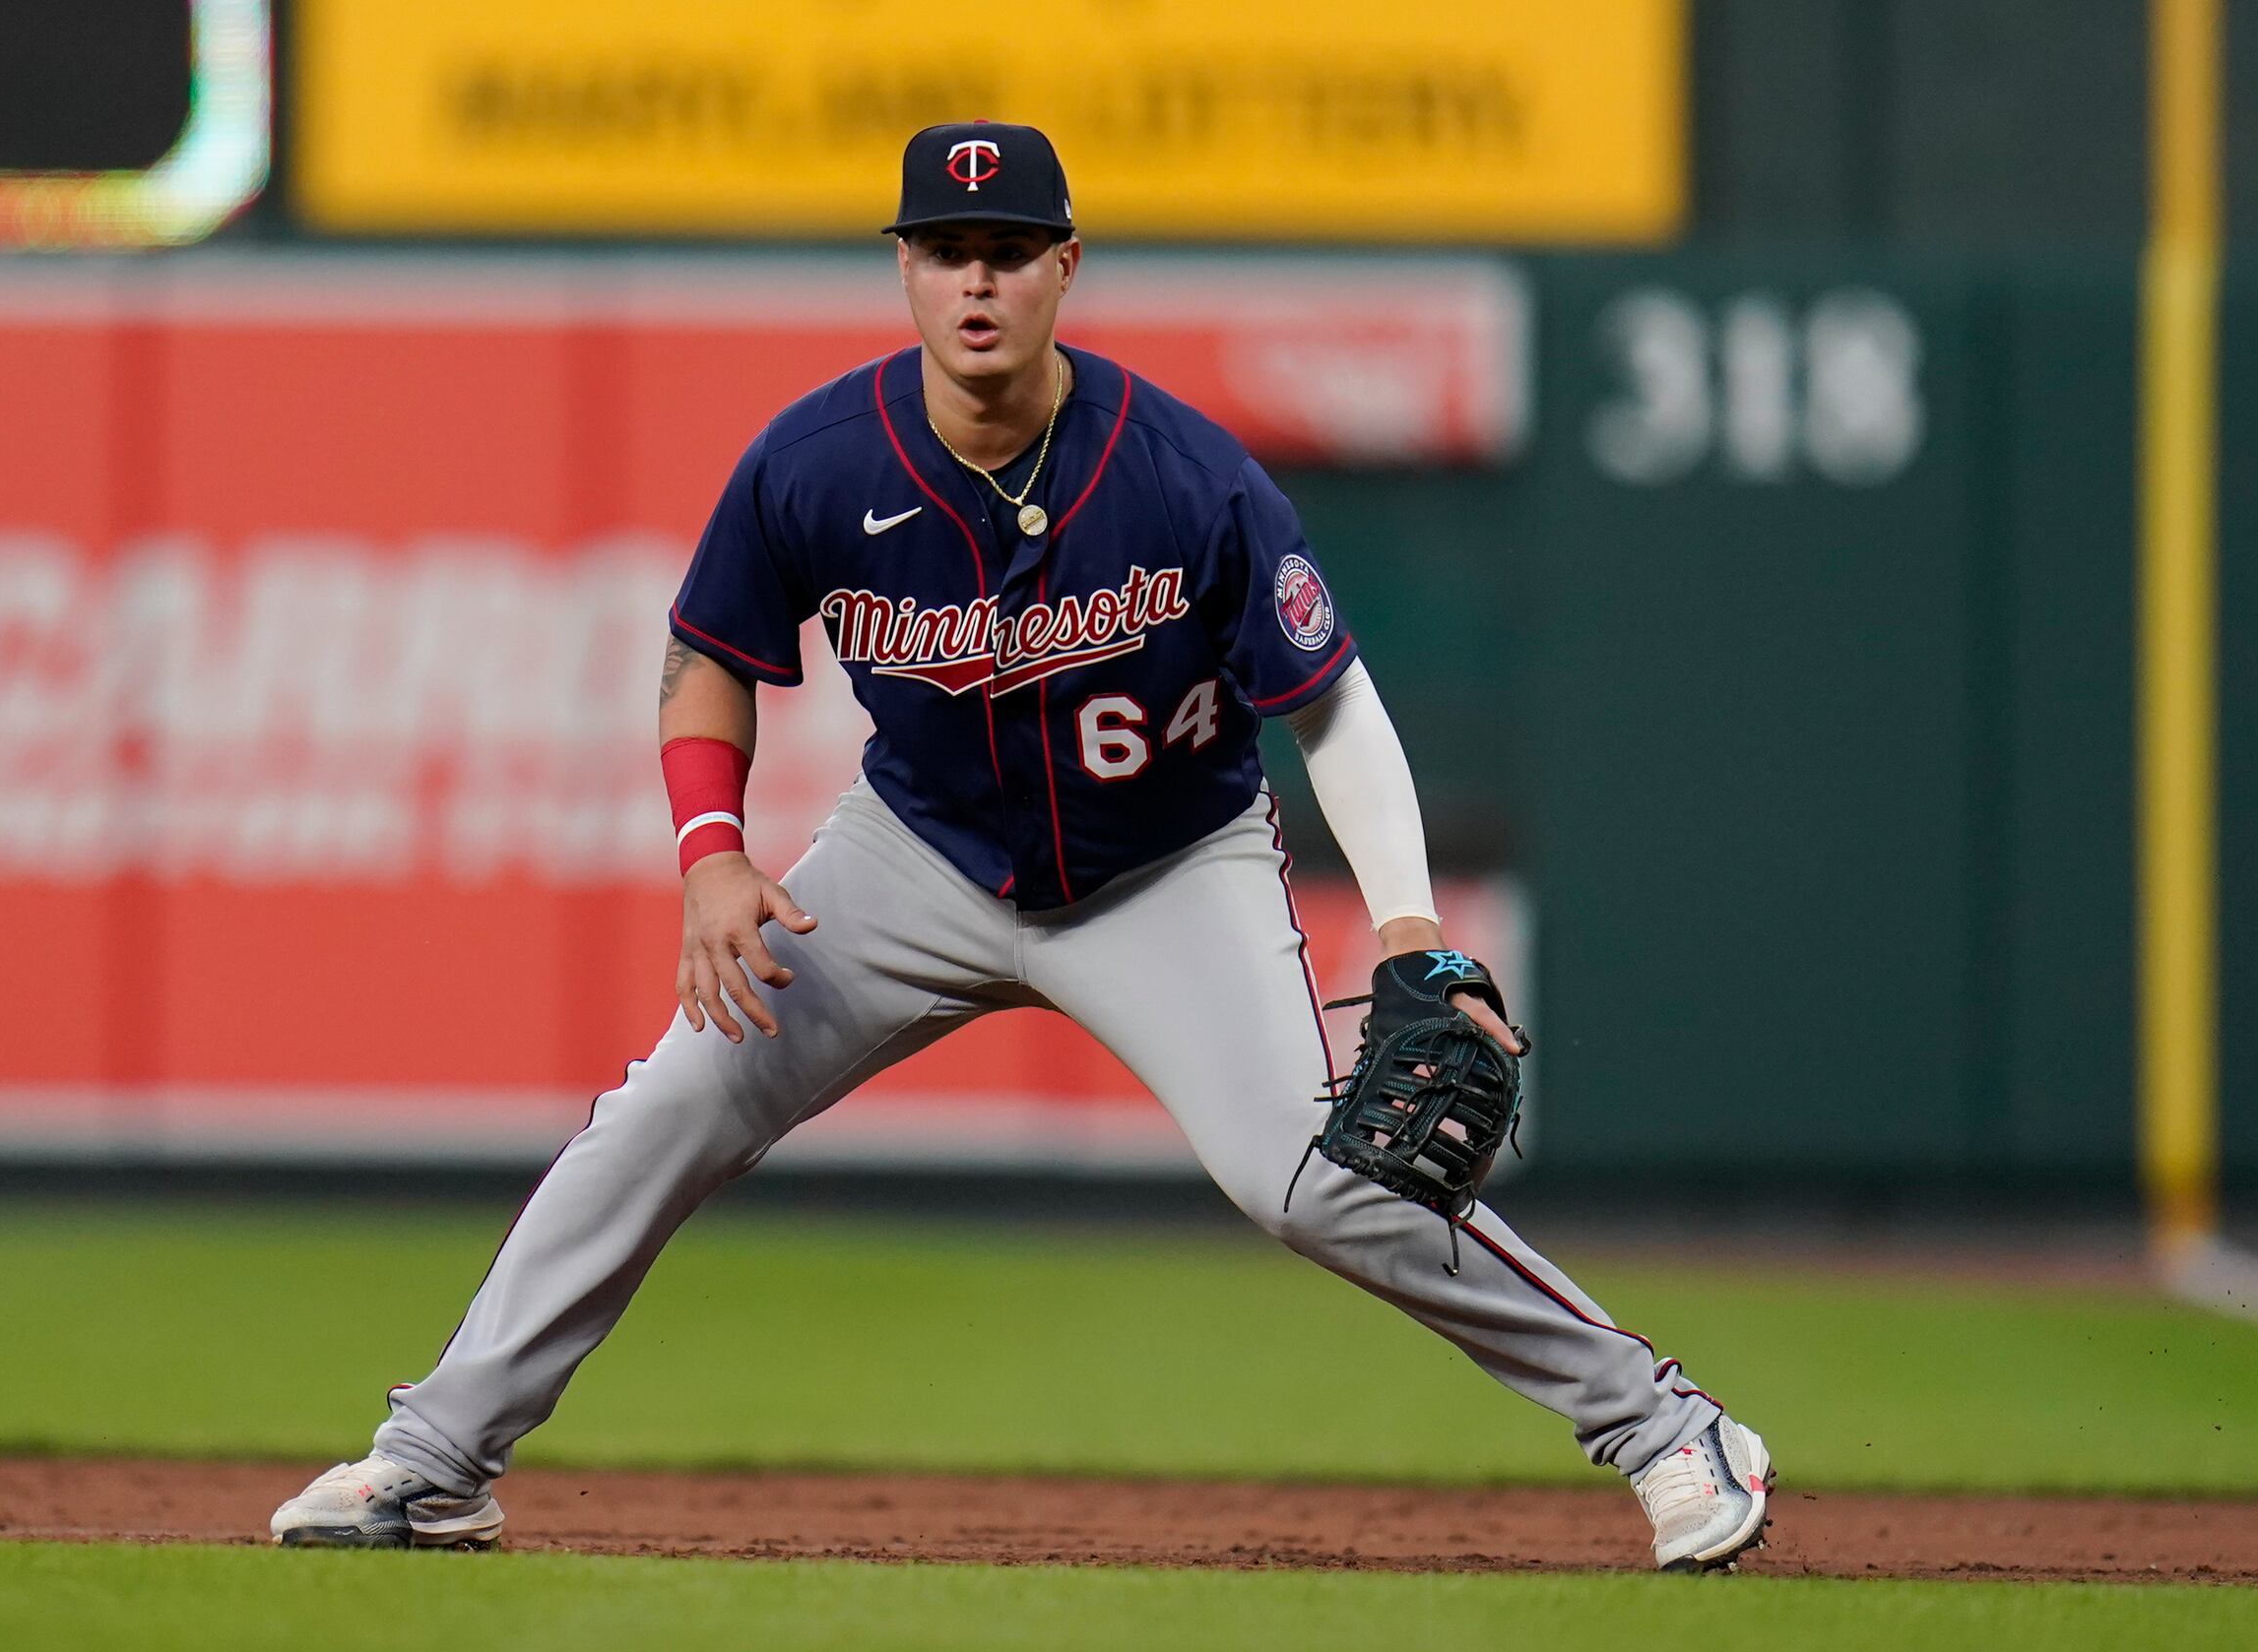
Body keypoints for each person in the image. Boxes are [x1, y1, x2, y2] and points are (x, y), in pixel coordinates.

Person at [271, 121, 1774, 1572]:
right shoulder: (814, 460)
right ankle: (436, 1463)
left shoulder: (1186, 474)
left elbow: (1334, 707)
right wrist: (713, 854)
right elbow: (708, 648)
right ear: (907, 272)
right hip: (913, 859)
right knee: (671, 1105)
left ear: (1065, 265)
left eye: (1004, 250)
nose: (973, 282)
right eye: (942, 250)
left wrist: (1401, 923)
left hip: (1167, 869)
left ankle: (1667, 1429)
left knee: (1312, 1180)